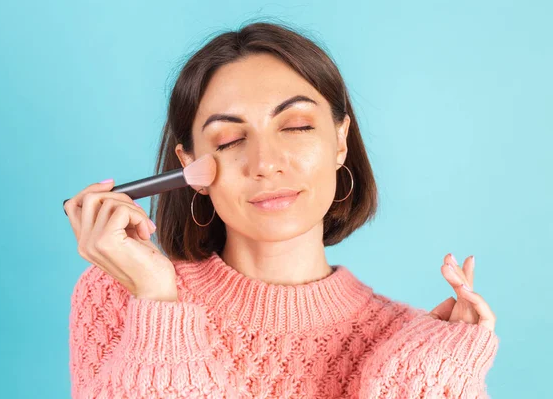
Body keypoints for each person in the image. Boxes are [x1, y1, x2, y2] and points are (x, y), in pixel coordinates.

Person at [65, 21, 498, 398]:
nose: (265, 163)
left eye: (295, 127)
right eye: (230, 140)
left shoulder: (408, 342)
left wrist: (433, 380)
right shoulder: (122, 296)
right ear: (189, 164)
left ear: (340, 141)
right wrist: (158, 307)